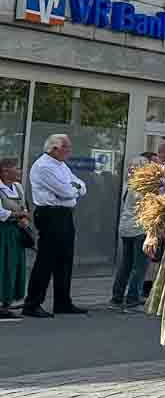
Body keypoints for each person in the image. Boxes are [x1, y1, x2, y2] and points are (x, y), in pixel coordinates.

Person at [23, 134, 87, 317]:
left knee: (65, 260)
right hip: (50, 214)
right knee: (46, 260)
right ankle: (32, 303)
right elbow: (66, 191)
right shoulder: (44, 166)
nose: (69, 151)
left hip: (65, 214)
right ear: (54, 149)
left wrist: (74, 188)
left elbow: (82, 186)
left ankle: (63, 302)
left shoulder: (61, 165)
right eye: (66, 148)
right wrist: (73, 188)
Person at [111, 151, 159, 310]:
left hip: (126, 228)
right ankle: (132, 299)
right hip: (140, 229)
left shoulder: (128, 184)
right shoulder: (144, 187)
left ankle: (117, 298)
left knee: (125, 264)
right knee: (140, 266)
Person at [0, 158, 26, 319]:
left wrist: (25, 218)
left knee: (15, 265)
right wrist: (18, 215)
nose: (19, 171)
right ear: (5, 171)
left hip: (16, 232)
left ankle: (8, 301)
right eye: (16, 168)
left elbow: (25, 206)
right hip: (3, 231)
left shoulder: (18, 187)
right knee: (3, 265)